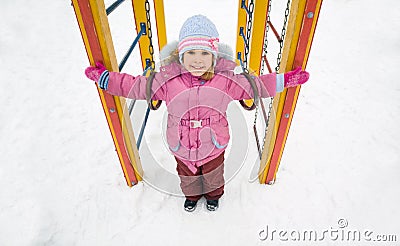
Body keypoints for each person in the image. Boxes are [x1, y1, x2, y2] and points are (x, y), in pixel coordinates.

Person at [85, 15, 309, 212]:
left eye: (204, 53)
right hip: (180, 146)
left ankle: (213, 196)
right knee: (187, 176)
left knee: (213, 175)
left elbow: (255, 86)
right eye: (191, 52)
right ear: (180, 56)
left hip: (213, 144)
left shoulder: (225, 81)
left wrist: (285, 80)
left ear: (214, 56)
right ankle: (191, 197)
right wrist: (106, 79)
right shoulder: (167, 81)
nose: (198, 59)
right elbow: (135, 86)